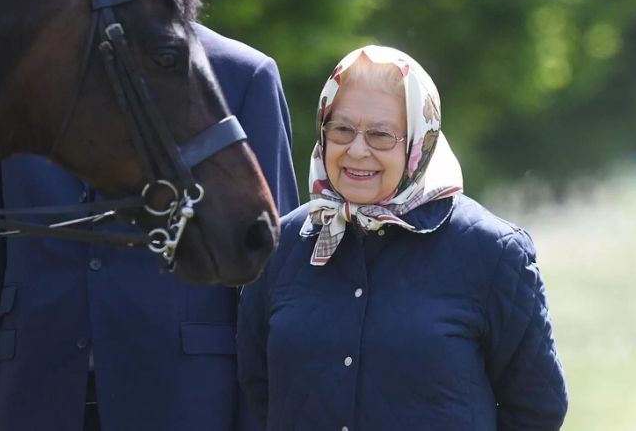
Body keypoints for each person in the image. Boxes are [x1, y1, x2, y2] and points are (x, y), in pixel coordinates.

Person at [0, 0, 299, 431]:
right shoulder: (11, 78)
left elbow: (268, 283)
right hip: (30, 399)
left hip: (183, 403)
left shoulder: (245, 78)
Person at [237, 45, 568, 430]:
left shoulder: (493, 252)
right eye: (342, 129)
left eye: (380, 135)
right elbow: (258, 388)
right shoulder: (283, 245)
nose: (356, 151)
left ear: (418, 143)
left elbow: (537, 407)